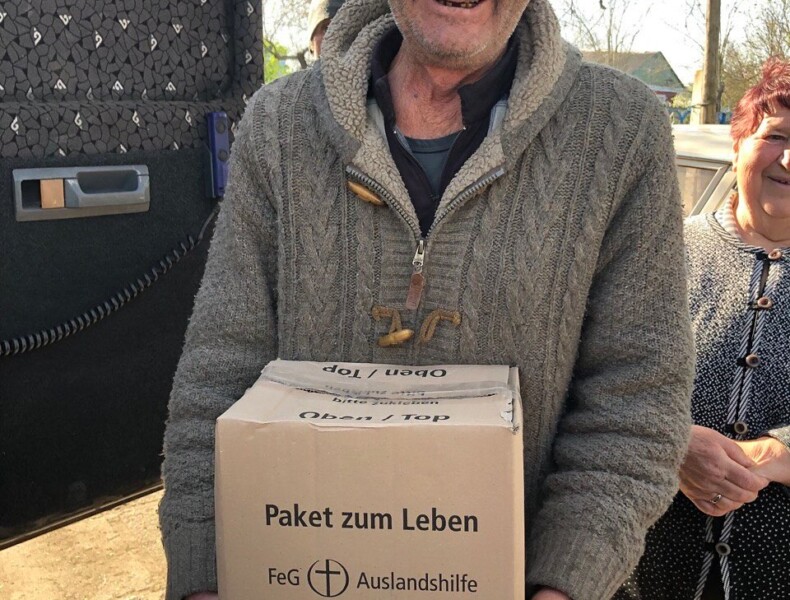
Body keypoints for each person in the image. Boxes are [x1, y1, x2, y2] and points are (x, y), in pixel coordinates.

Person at [158, 0, 696, 598]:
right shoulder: (277, 123)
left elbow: (636, 399)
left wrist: (567, 581)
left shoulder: (623, 129)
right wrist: (205, 571)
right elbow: (217, 374)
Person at [616, 58, 790, 600]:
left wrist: (773, 454)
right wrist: (676, 445)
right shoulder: (658, 252)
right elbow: (592, 380)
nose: (789, 158)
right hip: (646, 571)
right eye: (776, 135)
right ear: (738, 145)